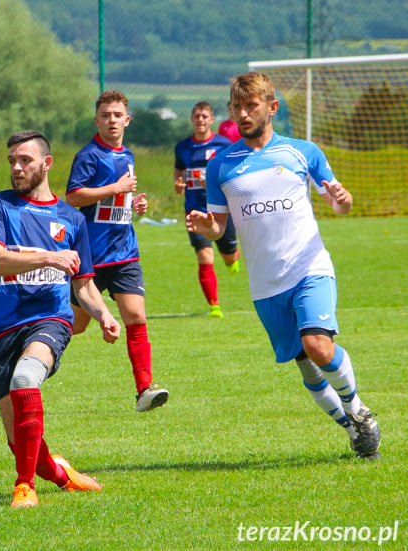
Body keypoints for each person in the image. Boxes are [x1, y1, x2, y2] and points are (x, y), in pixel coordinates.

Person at [186, 72, 381, 460]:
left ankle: (359, 410)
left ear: (271, 108)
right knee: (306, 367)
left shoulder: (302, 152)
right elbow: (219, 226)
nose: (243, 113)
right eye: (237, 107)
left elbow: (340, 204)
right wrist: (209, 227)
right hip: (265, 284)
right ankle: (352, 430)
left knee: (318, 345)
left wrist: (343, 198)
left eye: (251, 105)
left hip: (309, 268)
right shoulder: (221, 166)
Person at [0, 130, 122, 508]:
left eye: (24, 159)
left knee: (27, 377)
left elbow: (85, 285)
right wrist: (48, 257)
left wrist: (104, 314)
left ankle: (23, 487)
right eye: (11, 160)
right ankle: (60, 474)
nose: (16, 167)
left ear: (46, 164)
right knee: (19, 439)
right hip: (3, 326)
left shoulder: (72, 219)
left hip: (50, 320)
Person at [65, 90, 169, 412]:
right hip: (91, 256)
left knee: (136, 316)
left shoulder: (129, 155)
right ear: (97, 120)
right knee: (78, 325)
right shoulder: (89, 156)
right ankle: (32, 350)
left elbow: (114, 203)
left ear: (127, 119)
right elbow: (73, 197)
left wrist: (132, 204)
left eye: (117, 115)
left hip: (124, 251)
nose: (112, 120)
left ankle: (144, 390)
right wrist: (117, 189)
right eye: (106, 115)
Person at [173, 101, 241, 319]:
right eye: (197, 116)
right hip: (194, 210)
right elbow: (179, 171)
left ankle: (231, 260)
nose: (200, 120)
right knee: (204, 255)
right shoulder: (182, 146)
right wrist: (178, 183)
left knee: (230, 256)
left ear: (212, 120)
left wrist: (213, 182)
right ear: (192, 120)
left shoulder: (224, 143)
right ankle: (215, 306)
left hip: (220, 209)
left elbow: (233, 173)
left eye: (205, 116)